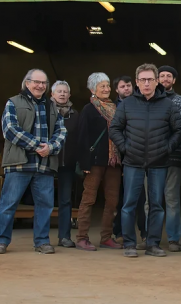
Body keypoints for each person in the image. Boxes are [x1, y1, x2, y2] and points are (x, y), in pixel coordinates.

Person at [109, 63, 181, 258]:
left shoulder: (168, 104)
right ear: (137, 82)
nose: (146, 83)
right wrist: (126, 148)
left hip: (159, 162)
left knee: (157, 205)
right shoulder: (127, 104)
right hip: (133, 161)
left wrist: (167, 149)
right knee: (129, 204)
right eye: (142, 80)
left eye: (150, 79)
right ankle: (129, 244)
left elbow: (179, 130)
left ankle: (153, 244)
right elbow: (115, 129)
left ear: (157, 81)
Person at [0, 69, 67, 255]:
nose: (40, 86)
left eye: (44, 83)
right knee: (9, 204)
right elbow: (10, 129)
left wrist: (50, 148)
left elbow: (61, 131)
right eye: (36, 82)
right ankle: (1, 241)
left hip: (44, 164)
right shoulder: (13, 102)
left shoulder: (52, 106)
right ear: (27, 83)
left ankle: (42, 242)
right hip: (19, 163)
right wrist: (36, 145)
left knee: (45, 206)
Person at [75, 73, 123, 251]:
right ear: (93, 89)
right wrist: (85, 163)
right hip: (94, 163)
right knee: (88, 199)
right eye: (102, 86)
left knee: (112, 201)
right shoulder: (89, 109)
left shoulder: (115, 108)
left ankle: (106, 237)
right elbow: (82, 137)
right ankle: (81, 237)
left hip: (113, 163)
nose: (106, 89)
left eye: (108, 85)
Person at [158, 65, 181, 252]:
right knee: (150, 199)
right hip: (150, 158)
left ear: (174, 80)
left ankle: (173, 239)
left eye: (168, 76)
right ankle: (149, 237)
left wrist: (167, 146)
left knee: (171, 199)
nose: (164, 79)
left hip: (173, 156)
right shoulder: (148, 99)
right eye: (161, 76)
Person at [112, 75, 146, 246]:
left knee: (140, 198)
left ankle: (144, 233)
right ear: (116, 90)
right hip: (118, 159)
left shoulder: (139, 104)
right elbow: (115, 130)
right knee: (121, 198)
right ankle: (120, 232)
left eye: (129, 85)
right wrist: (124, 148)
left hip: (137, 157)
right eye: (122, 86)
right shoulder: (112, 107)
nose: (126, 88)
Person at [50, 81, 80, 248]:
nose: (62, 94)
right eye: (59, 91)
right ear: (52, 94)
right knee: (45, 200)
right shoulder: (44, 112)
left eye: (65, 92)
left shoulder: (75, 115)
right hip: (48, 163)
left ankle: (64, 236)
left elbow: (80, 139)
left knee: (65, 200)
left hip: (68, 164)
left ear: (69, 95)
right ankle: (41, 238)